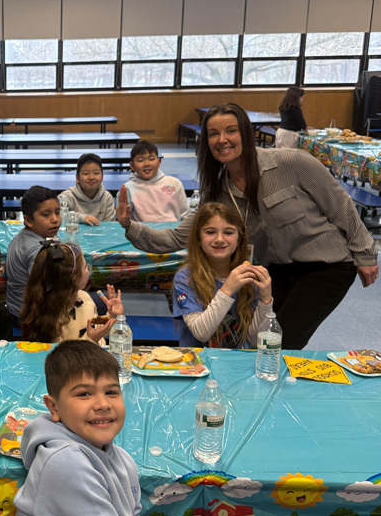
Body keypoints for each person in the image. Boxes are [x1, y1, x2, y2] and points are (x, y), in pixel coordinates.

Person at [117, 103, 378, 350]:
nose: (222, 139)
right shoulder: (217, 192)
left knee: (281, 342)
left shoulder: (293, 162)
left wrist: (365, 253)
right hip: (276, 271)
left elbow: (339, 204)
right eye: (213, 134)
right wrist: (130, 225)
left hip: (327, 266)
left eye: (231, 130)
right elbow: (176, 238)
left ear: (244, 132)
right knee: (261, 340)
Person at [10, 340, 206, 516]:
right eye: (84, 394)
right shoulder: (64, 464)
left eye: (111, 392)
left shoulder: (122, 461)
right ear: (54, 408)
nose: (102, 404)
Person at [173, 203, 273, 348]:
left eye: (228, 232)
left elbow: (255, 341)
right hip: (198, 366)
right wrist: (227, 289)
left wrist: (265, 301)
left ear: (239, 239)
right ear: (198, 239)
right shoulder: (185, 278)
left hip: (238, 364)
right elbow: (201, 333)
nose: (219, 239)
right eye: (210, 232)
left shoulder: (249, 276)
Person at [19, 241, 123, 344]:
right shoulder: (49, 317)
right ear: (74, 279)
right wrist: (91, 340)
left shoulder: (83, 296)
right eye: (86, 267)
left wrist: (113, 316)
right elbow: (61, 356)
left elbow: (95, 330)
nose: (88, 270)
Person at [5, 186, 61, 325]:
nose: (55, 219)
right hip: (31, 318)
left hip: (15, 309)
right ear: (29, 220)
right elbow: (47, 292)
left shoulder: (24, 236)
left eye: (57, 212)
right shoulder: (38, 249)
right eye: (46, 215)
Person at [123, 139, 190, 222]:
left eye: (151, 159)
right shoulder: (127, 189)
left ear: (159, 162)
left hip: (172, 233)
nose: (146, 164)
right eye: (140, 160)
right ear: (132, 166)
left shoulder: (174, 183)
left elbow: (185, 216)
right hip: (143, 233)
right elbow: (125, 221)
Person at [59, 153, 116, 226]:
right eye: (86, 173)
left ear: (102, 177)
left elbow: (110, 225)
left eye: (96, 173)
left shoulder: (107, 198)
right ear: (77, 178)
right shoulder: (65, 197)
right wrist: (82, 218)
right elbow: (59, 216)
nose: (91, 177)